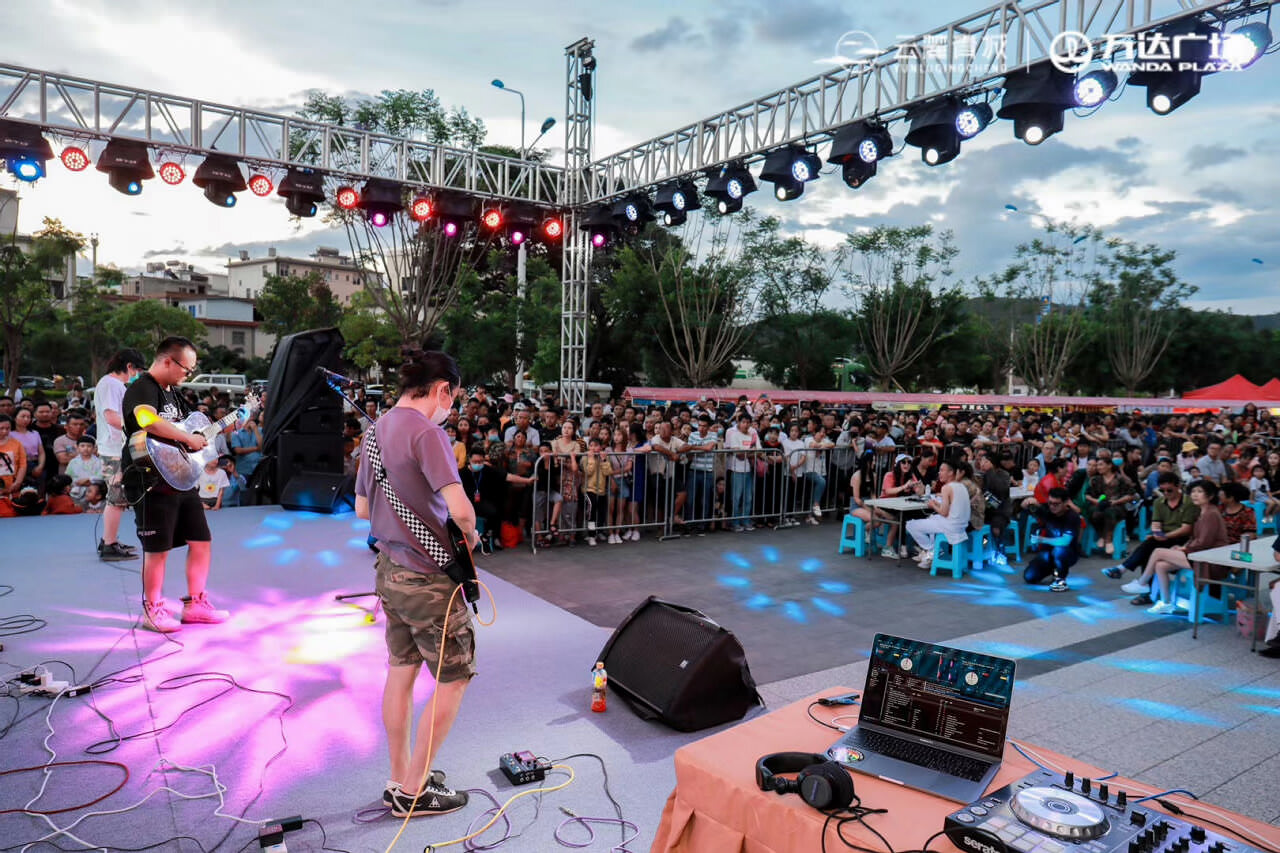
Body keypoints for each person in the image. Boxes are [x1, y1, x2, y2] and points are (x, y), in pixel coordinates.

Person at [354, 348, 475, 818]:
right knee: (454, 678)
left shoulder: (374, 432)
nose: (452, 407)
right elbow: (461, 510)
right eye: (453, 398)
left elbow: (363, 510)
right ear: (443, 390)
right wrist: (468, 531)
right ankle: (416, 790)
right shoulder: (427, 433)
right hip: (429, 578)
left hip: (388, 572)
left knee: (401, 671)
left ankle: (399, 777)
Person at [121, 337, 228, 633]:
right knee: (157, 549)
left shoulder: (174, 395)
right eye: (186, 368)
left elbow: (190, 432)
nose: (187, 375)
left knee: (201, 540)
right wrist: (187, 439)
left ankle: (195, 603)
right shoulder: (142, 387)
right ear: (168, 360)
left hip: (181, 478)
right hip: (149, 480)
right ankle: (153, 609)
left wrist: (221, 427)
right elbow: (146, 420)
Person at [1120, 480, 1229, 614]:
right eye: (1193, 491)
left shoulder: (1211, 513)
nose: (1195, 495)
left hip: (1208, 558)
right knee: (1160, 565)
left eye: (1200, 492)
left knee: (1158, 552)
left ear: (1210, 496)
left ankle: (1143, 583)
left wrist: (1184, 549)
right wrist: (1183, 546)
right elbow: (1195, 538)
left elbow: (1204, 542)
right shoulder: (1201, 512)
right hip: (1198, 553)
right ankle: (1166, 602)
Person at [94, 348, 147, 561]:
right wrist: (136, 427)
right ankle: (109, 544)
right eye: (137, 370)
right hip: (114, 450)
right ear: (129, 367)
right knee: (116, 498)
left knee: (118, 498)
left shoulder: (114, 385)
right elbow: (111, 416)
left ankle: (110, 539)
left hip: (118, 449)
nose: (137, 375)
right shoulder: (110, 384)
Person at [906, 461, 969, 568]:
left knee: (910, 525)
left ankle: (933, 550)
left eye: (942, 470)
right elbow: (951, 507)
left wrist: (933, 505)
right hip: (961, 525)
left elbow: (944, 513)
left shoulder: (946, 488)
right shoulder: (961, 486)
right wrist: (937, 504)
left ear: (950, 472)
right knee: (932, 517)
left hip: (951, 525)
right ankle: (931, 554)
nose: (939, 473)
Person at [1023, 487, 1081, 591]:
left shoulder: (1072, 517)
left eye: (1056, 504)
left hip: (1068, 552)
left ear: (1065, 503)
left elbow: (1065, 541)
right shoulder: (1047, 510)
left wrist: (1041, 539)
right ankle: (1053, 570)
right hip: (1047, 552)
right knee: (1029, 576)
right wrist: (1027, 502)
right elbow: (1026, 507)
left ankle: (1061, 579)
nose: (1052, 507)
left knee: (1059, 550)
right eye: (1050, 503)